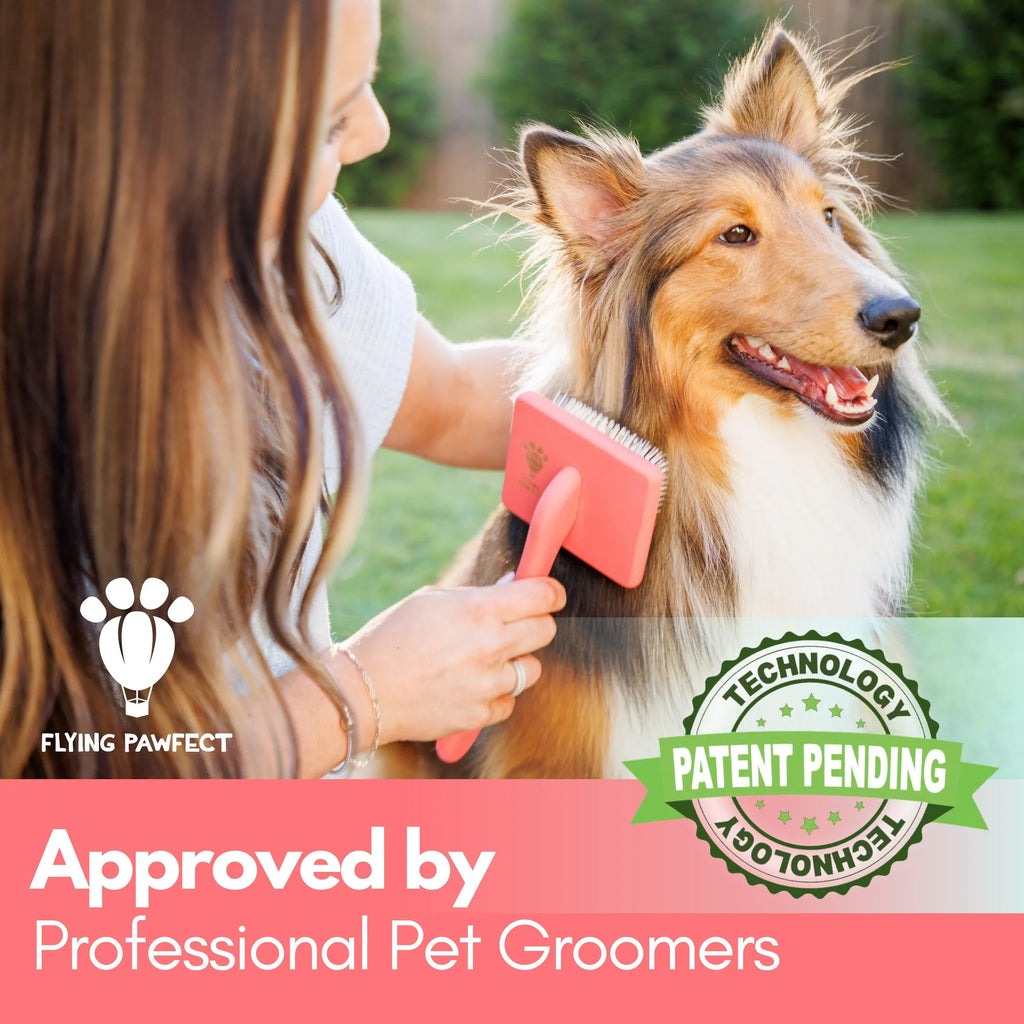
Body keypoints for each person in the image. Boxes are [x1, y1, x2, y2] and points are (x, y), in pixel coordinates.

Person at [0, 0, 564, 779]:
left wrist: (664, 383)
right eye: (329, 123)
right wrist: (365, 691)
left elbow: (457, 398)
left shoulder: (289, 247)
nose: (376, 133)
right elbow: (78, 796)